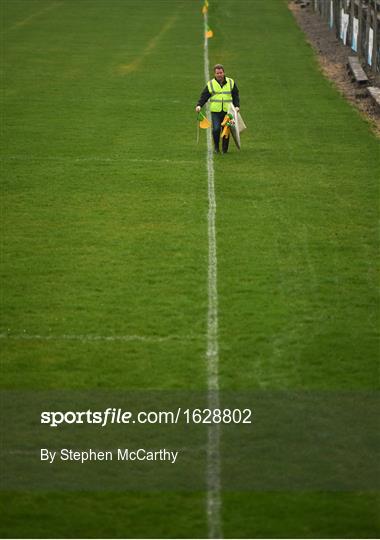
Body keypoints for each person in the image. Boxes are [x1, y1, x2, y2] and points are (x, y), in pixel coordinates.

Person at [195, 64, 240, 154]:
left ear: (224, 73)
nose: (219, 75)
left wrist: (237, 106)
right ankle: (216, 146)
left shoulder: (231, 82)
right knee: (216, 129)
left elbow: (235, 95)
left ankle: (224, 149)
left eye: (221, 73)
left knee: (226, 129)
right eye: (217, 73)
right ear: (214, 74)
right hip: (215, 111)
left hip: (228, 111)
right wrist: (199, 105)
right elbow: (204, 96)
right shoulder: (211, 84)